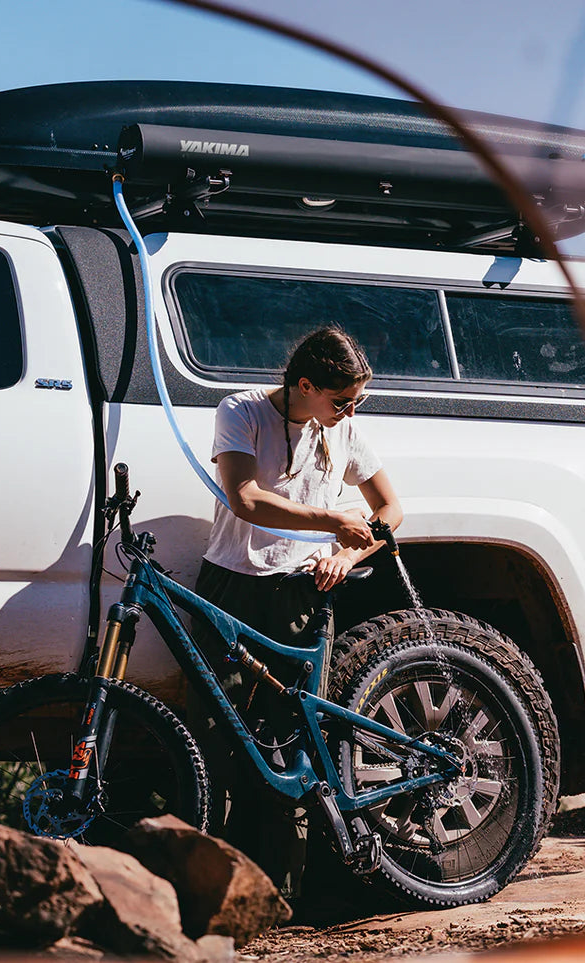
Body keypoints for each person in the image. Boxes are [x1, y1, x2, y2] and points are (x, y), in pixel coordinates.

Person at [191, 324, 402, 897]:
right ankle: (219, 885)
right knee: (220, 732)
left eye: (359, 399)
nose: (351, 410)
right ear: (304, 384)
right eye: (341, 400)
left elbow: (391, 508)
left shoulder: (345, 431)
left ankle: (285, 889)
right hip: (231, 587)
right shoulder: (242, 412)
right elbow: (245, 498)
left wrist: (349, 551)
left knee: (293, 734)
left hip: (302, 593)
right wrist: (333, 520)